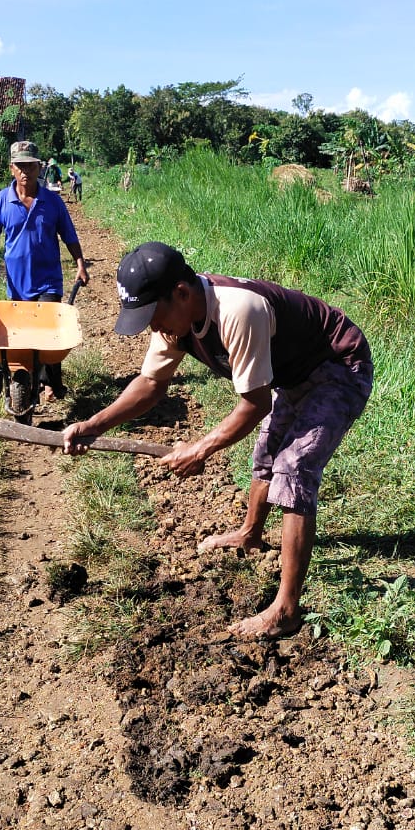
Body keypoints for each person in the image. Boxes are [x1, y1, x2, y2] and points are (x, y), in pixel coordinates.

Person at [62, 242, 373, 640]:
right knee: (267, 452)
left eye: (152, 315)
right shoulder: (176, 320)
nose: (154, 328)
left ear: (181, 293)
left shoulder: (238, 311)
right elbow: (152, 384)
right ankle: (251, 534)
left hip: (338, 365)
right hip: (293, 374)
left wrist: (201, 447)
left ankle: (287, 609)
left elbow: (255, 403)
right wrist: (94, 424)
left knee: (294, 468)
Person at [0, 141, 89, 402]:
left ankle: (50, 383)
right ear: (12, 168)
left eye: (31, 166)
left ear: (39, 168)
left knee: (49, 335)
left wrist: (80, 263)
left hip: (48, 281)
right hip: (17, 284)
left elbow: (69, 235)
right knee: (21, 338)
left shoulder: (52, 201)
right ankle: (21, 378)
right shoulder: (3, 200)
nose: (26, 171)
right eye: (20, 166)